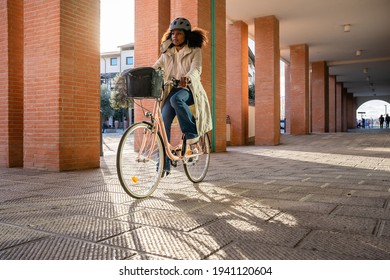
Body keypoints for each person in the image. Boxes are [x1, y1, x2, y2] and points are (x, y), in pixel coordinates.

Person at [153, 17, 212, 176]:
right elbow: (156, 67)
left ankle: (192, 137)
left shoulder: (194, 50)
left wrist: (188, 77)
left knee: (175, 99)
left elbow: (196, 69)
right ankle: (163, 162)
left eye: (178, 33)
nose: (175, 36)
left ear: (186, 34)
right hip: (173, 89)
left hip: (190, 90)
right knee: (163, 122)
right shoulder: (168, 52)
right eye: (172, 33)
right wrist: (145, 74)